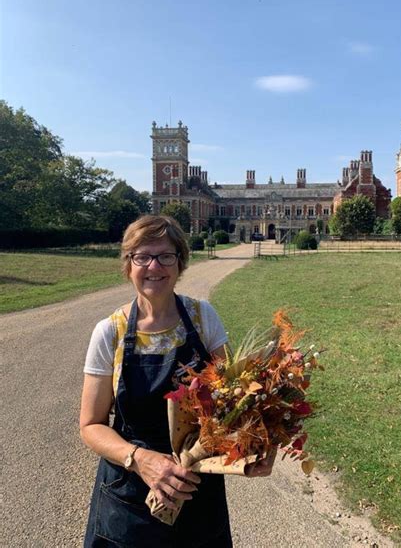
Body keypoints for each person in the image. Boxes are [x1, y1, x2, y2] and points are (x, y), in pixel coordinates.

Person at [80, 215, 273, 547]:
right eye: (142, 256)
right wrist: (141, 460)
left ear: (180, 262)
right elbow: (90, 425)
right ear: (128, 265)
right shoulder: (109, 332)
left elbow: (233, 399)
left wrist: (250, 450)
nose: (154, 266)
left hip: (196, 482)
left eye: (165, 255)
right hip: (129, 493)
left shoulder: (202, 318)